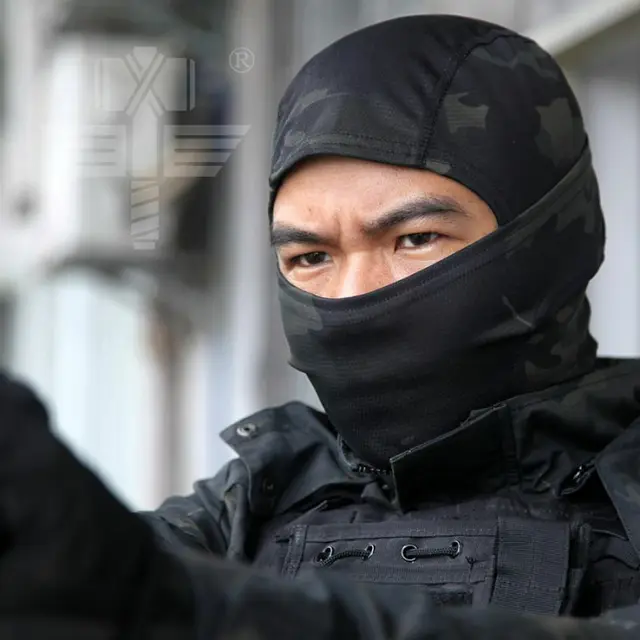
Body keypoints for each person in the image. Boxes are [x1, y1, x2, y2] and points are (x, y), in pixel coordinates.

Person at [0, 13, 639, 640]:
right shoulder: (252, 504)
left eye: (415, 239)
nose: (354, 296)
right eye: (311, 257)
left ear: (546, 239)